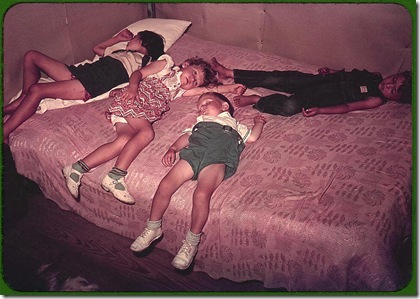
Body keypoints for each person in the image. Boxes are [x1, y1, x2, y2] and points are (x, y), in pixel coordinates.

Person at [63, 56, 246, 204]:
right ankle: (116, 176)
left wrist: (231, 87)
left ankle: (76, 168)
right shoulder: (166, 65)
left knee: (123, 141)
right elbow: (138, 73)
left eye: (195, 81)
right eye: (194, 73)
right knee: (147, 133)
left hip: (136, 113)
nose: (192, 80)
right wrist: (133, 88)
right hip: (132, 100)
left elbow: (205, 91)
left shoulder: (178, 91)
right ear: (187, 64)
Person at [130, 92, 267, 270]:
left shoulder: (235, 125)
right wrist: (172, 148)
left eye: (207, 102)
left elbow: (253, 137)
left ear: (224, 106)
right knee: (165, 184)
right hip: (194, 154)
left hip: (218, 157)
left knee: (201, 194)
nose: (202, 107)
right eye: (199, 106)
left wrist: (259, 123)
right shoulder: (198, 123)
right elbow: (186, 138)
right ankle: (153, 227)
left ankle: (191, 242)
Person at [3, 29, 165, 144]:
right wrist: (117, 39)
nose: (131, 39)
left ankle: (4, 130)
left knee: (37, 90)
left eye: (135, 37)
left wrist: (132, 87)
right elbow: (97, 49)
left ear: (143, 43)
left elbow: (147, 75)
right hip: (82, 72)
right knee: (31, 56)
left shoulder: (145, 61)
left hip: (93, 82)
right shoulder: (120, 52)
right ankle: (24, 99)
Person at [211, 58, 412, 117]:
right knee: (276, 78)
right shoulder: (374, 75)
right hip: (314, 82)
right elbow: (348, 75)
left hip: (319, 99)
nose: (388, 85)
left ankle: (258, 101)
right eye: (393, 80)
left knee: (289, 107)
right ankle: (230, 73)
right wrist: (331, 71)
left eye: (392, 90)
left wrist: (321, 110)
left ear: (394, 99)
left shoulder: (376, 99)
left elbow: (348, 107)